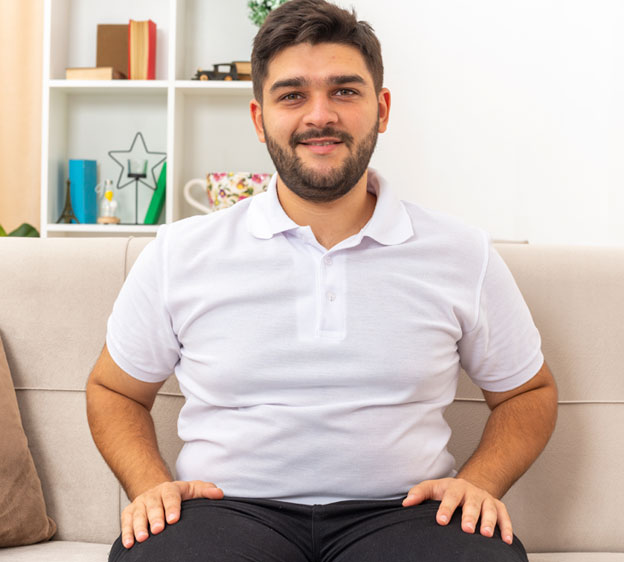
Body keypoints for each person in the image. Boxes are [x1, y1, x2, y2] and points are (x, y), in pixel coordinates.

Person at [86, 1, 558, 560]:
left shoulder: (462, 252)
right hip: (225, 512)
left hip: (404, 515)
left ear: (381, 109)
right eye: (292, 95)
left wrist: (478, 483)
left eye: (345, 91)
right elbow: (114, 390)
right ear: (260, 118)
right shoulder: (181, 252)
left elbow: (528, 392)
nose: (319, 115)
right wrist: (150, 487)